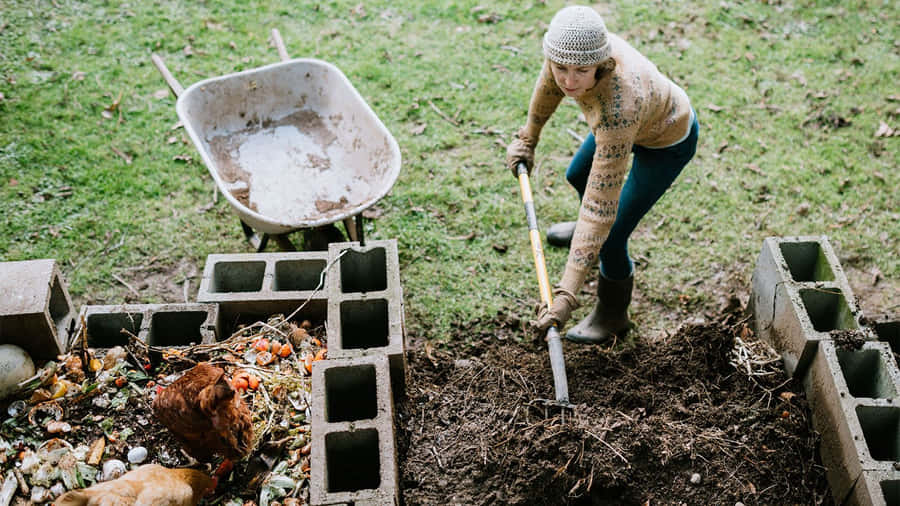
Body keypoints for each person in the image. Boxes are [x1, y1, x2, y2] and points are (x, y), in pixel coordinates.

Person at [506, 5, 699, 344]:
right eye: (561, 68)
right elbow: (548, 88)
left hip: (667, 141)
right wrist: (528, 139)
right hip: (634, 124)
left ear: (601, 64)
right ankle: (587, 242)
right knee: (577, 174)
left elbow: (599, 207)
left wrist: (566, 295)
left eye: (581, 72)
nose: (568, 81)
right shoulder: (567, 53)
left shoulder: (619, 108)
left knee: (611, 233)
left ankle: (613, 315)